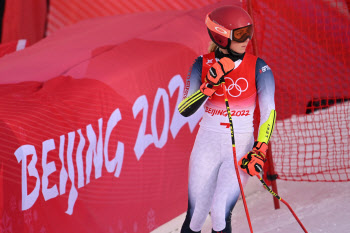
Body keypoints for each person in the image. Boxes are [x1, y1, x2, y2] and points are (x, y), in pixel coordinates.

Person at [178, 5, 276, 233]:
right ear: (222, 37)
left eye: (249, 32)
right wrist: (209, 86)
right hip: (207, 144)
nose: (247, 40)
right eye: (240, 34)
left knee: (221, 212)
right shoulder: (201, 64)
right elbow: (184, 109)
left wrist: (259, 150)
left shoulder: (259, 68)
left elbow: (269, 112)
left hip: (242, 146)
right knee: (196, 216)